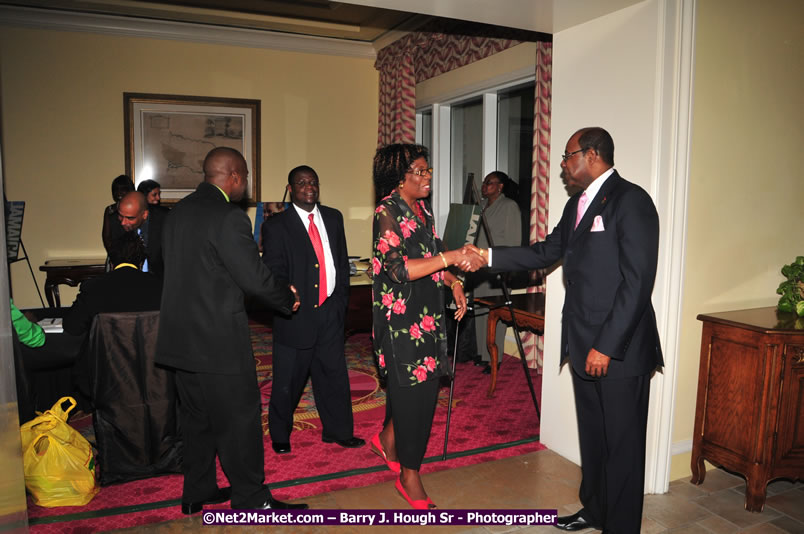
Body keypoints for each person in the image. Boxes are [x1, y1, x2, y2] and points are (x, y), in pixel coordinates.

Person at [462, 127, 663, 533]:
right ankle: (595, 509)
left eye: (567, 157)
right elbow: (545, 252)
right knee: (593, 437)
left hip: (619, 348)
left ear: (591, 155)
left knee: (622, 446)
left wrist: (606, 346)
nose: (563, 166)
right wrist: (487, 255)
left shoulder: (631, 201)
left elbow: (637, 282)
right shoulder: (576, 207)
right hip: (582, 340)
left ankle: (620, 527)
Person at [155, 146, 307, 513]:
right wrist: (286, 299)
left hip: (180, 339)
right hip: (218, 342)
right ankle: (252, 499)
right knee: (240, 420)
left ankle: (198, 492)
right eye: (246, 178)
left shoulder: (176, 214)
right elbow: (253, 277)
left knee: (196, 420)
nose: (247, 186)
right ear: (234, 176)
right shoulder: (228, 217)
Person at [371, 143, 470, 510]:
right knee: (417, 394)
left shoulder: (423, 211)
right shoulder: (387, 212)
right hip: (400, 322)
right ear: (400, 177)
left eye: (428, 170)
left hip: (428, 317)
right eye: (420, 171)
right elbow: (399, 269)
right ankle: (409, 472)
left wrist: (454, 282)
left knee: (418, 387)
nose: (428, 176)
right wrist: (449, 258)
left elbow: (434, 253)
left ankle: (387, 438)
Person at [261, 165, 364, 454]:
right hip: (296, 315)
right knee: (288, 380)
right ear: (291, 188)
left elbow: (341, 264)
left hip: (330, 312)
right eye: (302, 182)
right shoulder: (276, 226)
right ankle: (280, 434)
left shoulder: (333, 218)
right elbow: (274, 270)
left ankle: (339, 431)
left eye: (314, 182)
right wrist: (285, 294)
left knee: (333, 375)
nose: (309, 187)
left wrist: (341, 301)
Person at [468, 171, 522, 374]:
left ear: (500, 187)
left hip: (498, 266)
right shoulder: (481, 207)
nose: (484, 186)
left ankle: (495, 358)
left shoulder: (509, 207)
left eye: (489, 183)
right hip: (479, 267)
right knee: (481, 312)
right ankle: (483, 355)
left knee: (496, 315)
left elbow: (514, 240)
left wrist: (509, 267)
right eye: (484, 182)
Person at [63, 232, 162, 336]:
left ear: (111, 264)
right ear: (141, 264)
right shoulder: (160, 286)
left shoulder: (92, 287)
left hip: (106, 352)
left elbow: (72, 327)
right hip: (149, 351)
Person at [117, 191, 166, 277]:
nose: (123, 222)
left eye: (130, 218)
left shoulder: (165, 223)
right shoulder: (114, 220)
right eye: (121, 216)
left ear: (144, 214)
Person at [101, 174, 134, 255]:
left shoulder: (136, 209)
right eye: (116, 189)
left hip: (134, 255)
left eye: (123, 189)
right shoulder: (109, 210)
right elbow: (106, 237)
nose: (119, 192)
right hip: (114, 256)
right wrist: (114, 256)